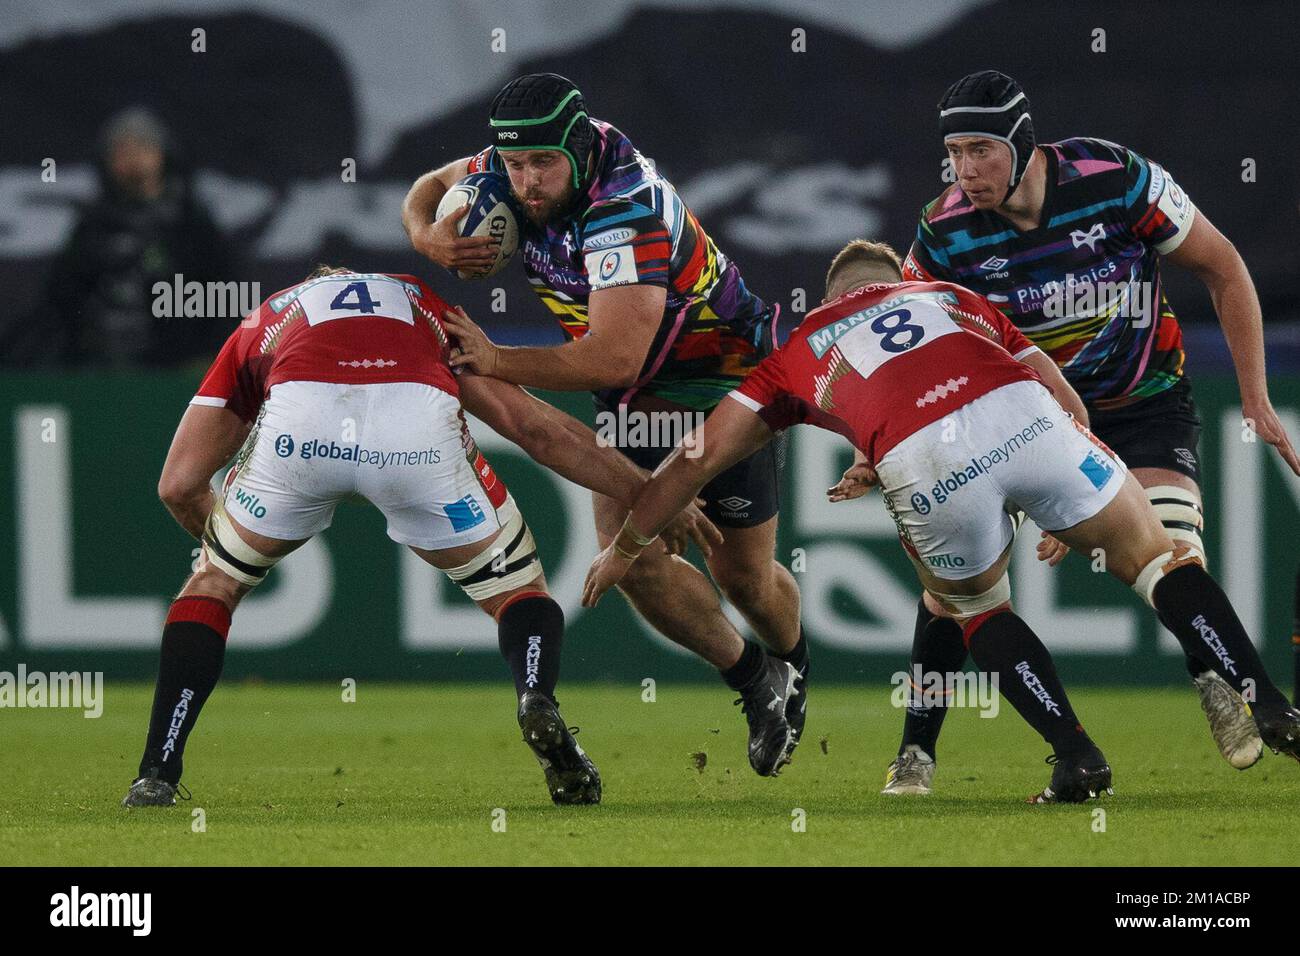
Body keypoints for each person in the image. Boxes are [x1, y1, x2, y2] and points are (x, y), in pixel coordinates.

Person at [581, 242, 1300, 803]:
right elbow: (1056, 388)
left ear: (829, 301)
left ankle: (1077, 756)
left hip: (927, 460)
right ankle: (1268, 701)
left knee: (976, 607)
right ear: (896, 277)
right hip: (1028, 416)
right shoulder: (947, 294)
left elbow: (692, 462)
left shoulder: (796, 353)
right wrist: (1066, 496)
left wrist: (628, 544)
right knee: (1156, 560)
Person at [122, 267, 720, 809]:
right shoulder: (421, 303)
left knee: (214, 586)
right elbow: (535, 429)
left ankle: (157, 770)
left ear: (316, 283)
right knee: (517, 591)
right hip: (414, 432)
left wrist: (223, 549)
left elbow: (178, 485)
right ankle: (535, 695)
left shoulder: (271, 314)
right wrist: (650, 492)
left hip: (299, 428)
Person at [886, 69, 1300, 788]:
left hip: (1143, 399)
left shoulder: (1117, 178)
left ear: (1023, 142)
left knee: (1170, 551)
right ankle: (916, 750)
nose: (965, 170)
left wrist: (1256, 398)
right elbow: (922, 352)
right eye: (953, 153)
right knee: (951, 588)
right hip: (1022, 418)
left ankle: (1220, 678)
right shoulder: (944, 230)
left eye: (981, 149)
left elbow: (1224, 268)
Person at [402, 73, 804, 776]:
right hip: (631, 390)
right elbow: (428, 185)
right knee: (632, 559)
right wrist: (426, 239)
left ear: (580, 146)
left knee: (742, 578)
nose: (525, 183)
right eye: (515, 164)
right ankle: (755, 682)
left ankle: (792, 662)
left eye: (543, 165)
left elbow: (614, 353)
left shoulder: (626, 207)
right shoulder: (509, 164)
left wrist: (497, 358)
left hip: (723, 377)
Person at [41, 107, 232, 367]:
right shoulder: (94, 224)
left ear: (162, 154)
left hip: (179, 364)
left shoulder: (192, 222)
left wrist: (208, 356)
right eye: (122, 151)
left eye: (142, 148)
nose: (133, 161)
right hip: (104, 365)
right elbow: (62, 297)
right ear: (107, 161)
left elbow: (226, 292)